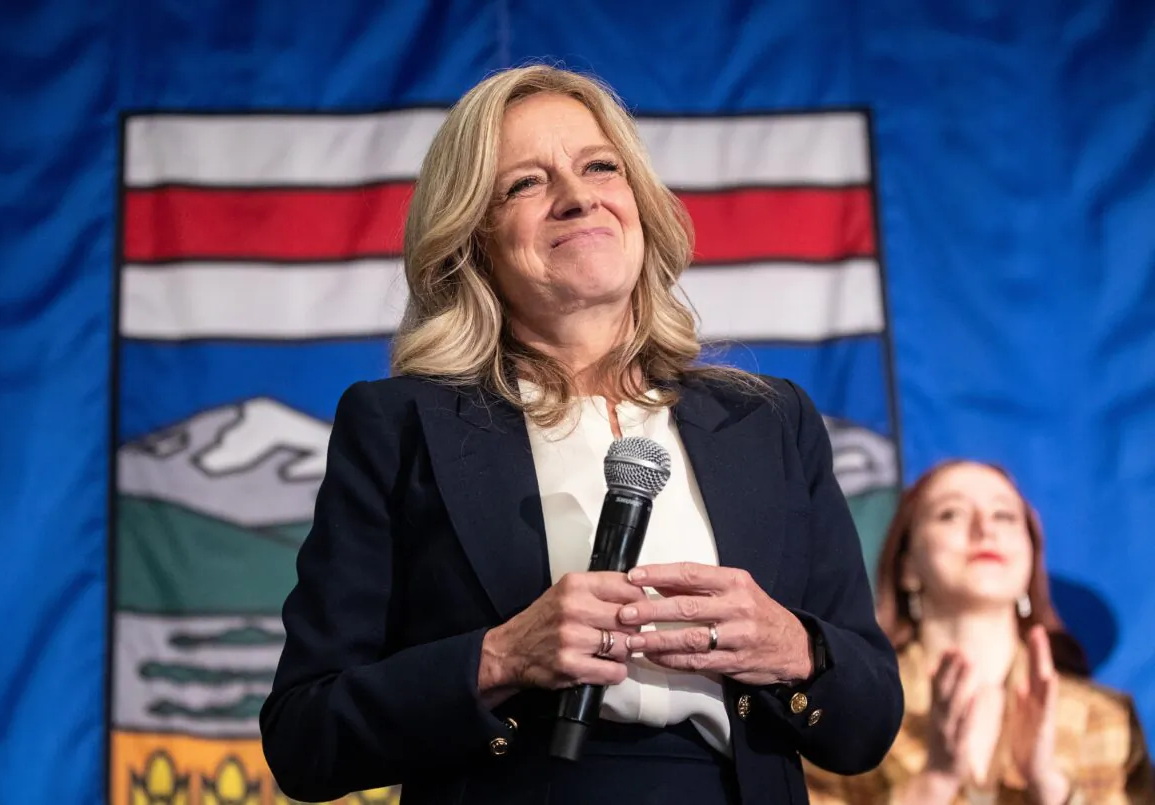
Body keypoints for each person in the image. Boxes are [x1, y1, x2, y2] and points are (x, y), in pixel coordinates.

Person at [258, 64, 904, 805]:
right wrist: (499, 657)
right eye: (526, 184)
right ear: (472, 240)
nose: (578, 196)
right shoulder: (400, 424)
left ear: (641, 205)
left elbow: (869, 722)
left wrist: (791, 647)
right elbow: (305, 737)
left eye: (601, 166)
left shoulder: (770, 422)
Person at [805, 460, 1155, 805]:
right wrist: (933, 784)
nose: (985, 529)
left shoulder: (1107, 718)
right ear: (907, 566)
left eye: (1004, 516)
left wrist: (1049, 786)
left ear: (1031, 559)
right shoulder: (845, 707)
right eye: (950, 514)